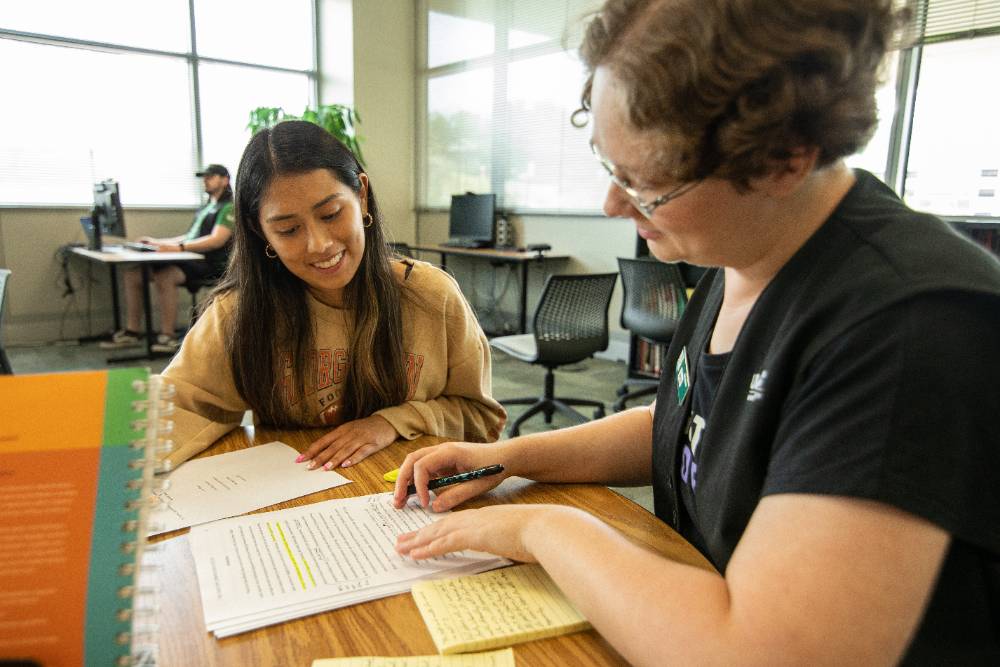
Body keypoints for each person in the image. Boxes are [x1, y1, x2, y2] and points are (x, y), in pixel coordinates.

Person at [392, 1, 1000, 664]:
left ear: (783, 160)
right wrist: (514, 457)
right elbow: (691, 418)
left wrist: (543, 524)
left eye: (646, 183)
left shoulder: (910, 326)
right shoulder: (742, 249)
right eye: (608, 165)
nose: (614, 205)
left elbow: (759, 652)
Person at [158, 120, 506, 470]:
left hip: (413, 500)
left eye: (331, 214)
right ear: (260, 231)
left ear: (362, 196)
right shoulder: (238, 312)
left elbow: (481, 419)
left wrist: (392, 423)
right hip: (301, 503)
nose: (320, 244)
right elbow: (176, 409)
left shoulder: (431, 296)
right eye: (288, 229)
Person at [100, 164, 236, 353]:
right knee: (134, 274)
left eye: (210, 176)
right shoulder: (206, 207)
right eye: (204, 177)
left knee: (166, 276)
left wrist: (178, 248)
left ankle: (167, 336)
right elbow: (189, 236)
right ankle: (132, 332)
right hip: (190, 257)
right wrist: (157, 243)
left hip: (209, 263)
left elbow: (216, 240)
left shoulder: (229, 207)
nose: (205, 180)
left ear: (224, 180)